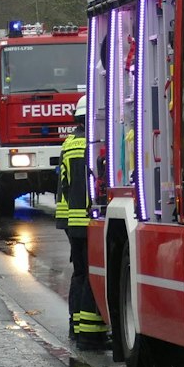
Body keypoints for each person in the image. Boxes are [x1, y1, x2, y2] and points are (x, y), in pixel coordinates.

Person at [57, 94, 109, 352]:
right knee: (92, 274)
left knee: (79, 274)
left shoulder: (68, 144)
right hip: (88, 219)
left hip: (70, 221)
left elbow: (64, 182)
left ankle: (75, 326)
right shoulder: (94, 144)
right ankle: (90, 334)